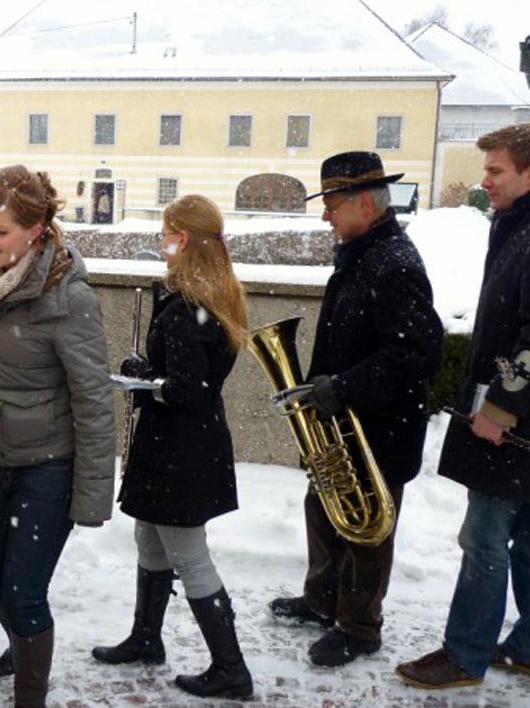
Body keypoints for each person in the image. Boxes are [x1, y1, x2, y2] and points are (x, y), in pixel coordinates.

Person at [0, 165, 115, 707]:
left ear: (35, 231)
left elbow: (94, 399)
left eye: (1, 231)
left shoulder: (67, 297)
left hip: (48, 467)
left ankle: (28, 689)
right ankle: (22, 644)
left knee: (25, 593)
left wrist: (91, 495)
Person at [268, 151, 443, 667]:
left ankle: (361, 627)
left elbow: (417, 354)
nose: (326, 214)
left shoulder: (395, 265)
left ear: (366, 204)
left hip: (379, 429)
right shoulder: (363, 252)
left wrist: (341, 387)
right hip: (345, 422)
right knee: (322, 509)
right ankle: (322, 601)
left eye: (333, 203)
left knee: (367, 530)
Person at [91, 194, 254, 699]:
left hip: (179, 449)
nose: (163, 242)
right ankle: (146, 637)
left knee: (189, 555)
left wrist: (140, 375)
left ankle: (230, 668)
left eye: (167, 233)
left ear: (182, 238)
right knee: (151, 540)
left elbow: (185, 389)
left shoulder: (188, 307)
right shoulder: (214, 294)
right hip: (190, 444)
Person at [396, 123, 530, 689]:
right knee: (523, 535)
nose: (485, 181)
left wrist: (500, 408)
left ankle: (464, 655)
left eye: (496, 171)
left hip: (514, 422)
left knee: (484, 537)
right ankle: (525, 646)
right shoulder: (516, 227)